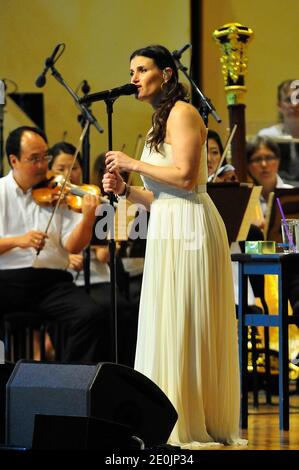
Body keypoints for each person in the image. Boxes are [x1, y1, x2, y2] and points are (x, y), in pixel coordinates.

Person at [103, 44, 246, 448]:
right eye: (130, 70)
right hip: (170, 222)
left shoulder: (183, 112)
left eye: (141, 69)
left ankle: (190, 419)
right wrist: (127, 189)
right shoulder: (159, 119)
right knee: (170, 319)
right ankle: (165, 417)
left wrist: (132, 163)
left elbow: (185, 178)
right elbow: (163, 194)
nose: (133, 78)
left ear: (166, 74)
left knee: (186, 320)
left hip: (191, 227)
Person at [0, 126, 107, 363]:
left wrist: (88, 218)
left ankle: (70, 383)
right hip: (7, 280)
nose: (42, 165)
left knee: (91, 315)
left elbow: (73, 246)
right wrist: (19, 240)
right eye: (34, 159)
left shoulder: (58, 191)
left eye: (45, 157)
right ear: (13, 160)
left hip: (51, 283)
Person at [258, 79, 299, 183]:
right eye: (288, 100)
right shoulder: (267, 137)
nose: (294, 104)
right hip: (278, 194)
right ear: (279, 106)